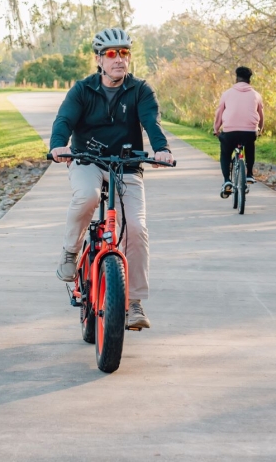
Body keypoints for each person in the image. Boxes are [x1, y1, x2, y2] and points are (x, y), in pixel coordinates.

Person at [48, 27, 174, 330]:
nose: (120, 59)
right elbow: (64, 120)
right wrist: (57, 146)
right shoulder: (82, 89)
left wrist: (161, 149)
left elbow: (151, 122)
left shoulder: (140, 90)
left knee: (137, 229)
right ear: (99, 59)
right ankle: (70, 251)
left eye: (125, 53)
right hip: (86, 161)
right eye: (112, 54)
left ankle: (133, 304)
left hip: (127, 166)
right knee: (87, 196)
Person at [214, 66, 264, 198]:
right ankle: (249, 175)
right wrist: (260, 129)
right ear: (249, 80)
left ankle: (227, 181)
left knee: (225, 154)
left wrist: (216, 129)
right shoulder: (256, 95)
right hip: (249, 132)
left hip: (230, 132)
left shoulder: (227, 93)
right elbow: (261, 114)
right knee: (250, 147)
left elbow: (219, 113)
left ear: (236, 78)